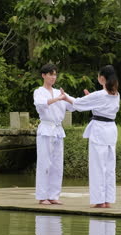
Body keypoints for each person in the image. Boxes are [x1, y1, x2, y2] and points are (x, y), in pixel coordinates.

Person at [69, 65, 120, 208]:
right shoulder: (115, 94)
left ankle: (98, 200)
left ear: (102, 78)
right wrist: (90, 100)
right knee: (109, 166)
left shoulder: (100, 94)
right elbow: (101, 108)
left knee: (98, 166)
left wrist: (64, 96)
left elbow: (77, 104)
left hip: (99, 130)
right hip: (110, 130)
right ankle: (108, 200)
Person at [33, 63, 74, 205]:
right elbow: (41, 104)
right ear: (43, 75)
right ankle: (42, 196)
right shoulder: (39, 91)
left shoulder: (59, 92)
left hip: (58, 130)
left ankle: (53, 195)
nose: (53, 77)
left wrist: (67, 98)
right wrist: (59, 98)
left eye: (55, 75)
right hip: (46, 128)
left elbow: (74, 104)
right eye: (50, 74)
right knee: (45, 163)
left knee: (57, 164)